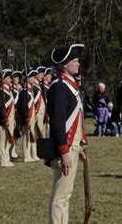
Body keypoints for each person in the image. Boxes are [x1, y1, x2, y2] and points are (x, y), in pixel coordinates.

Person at [47, 43, 88, 224]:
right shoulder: (60, 87)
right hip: (65, 147)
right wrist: (64, 151)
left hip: (71, 145)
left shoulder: (69, 85)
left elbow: (75, 119)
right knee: (60, 196)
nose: (78, 64)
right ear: (65, 64)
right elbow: (57, 122)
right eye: (75, 61)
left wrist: (78, 147)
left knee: (66, 194)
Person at [17, 68, 38, 163]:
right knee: (26, 136)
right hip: (27, 118)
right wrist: (27, 118)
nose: (34, 78)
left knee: (32, 135)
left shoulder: (30, 90)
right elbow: (23, 107)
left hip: (32, 116)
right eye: (32, 77)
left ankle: (33, 154)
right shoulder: (24, 92)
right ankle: (26, 155)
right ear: (27, 78)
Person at [0, 69, 16, 167]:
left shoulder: (8, 91)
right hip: (5, 119)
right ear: (3, 79)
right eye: (8, 77)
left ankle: (6, 158)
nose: (11, 80)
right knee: (3, 140)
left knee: (8, 140)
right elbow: (1, 106)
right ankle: (3, 160)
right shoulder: (0, 91)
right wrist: (4, 119)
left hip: (11, 118)